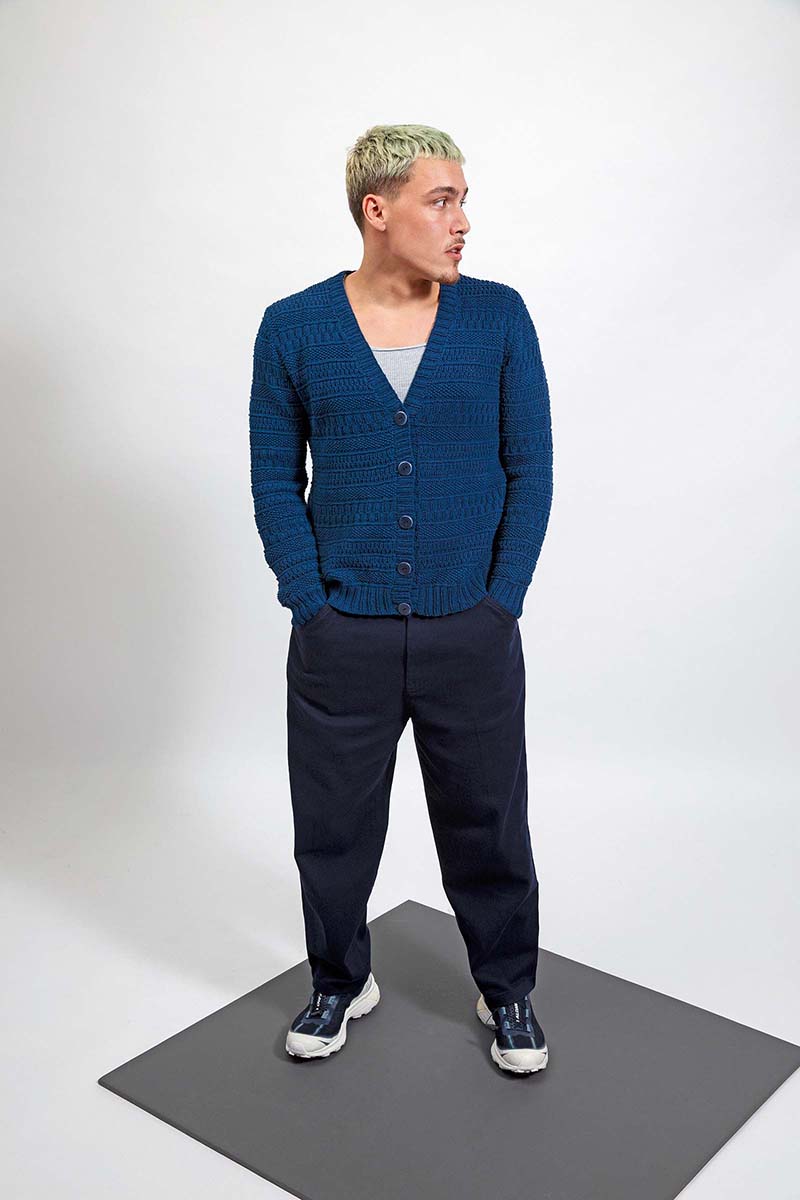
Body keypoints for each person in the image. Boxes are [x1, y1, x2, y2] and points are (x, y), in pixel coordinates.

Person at [248, 124, 553, 1074]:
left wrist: (501, 599)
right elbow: (274, 477)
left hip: (472, 628)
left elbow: (531, 467)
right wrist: (309, 600)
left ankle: (507, 989)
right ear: (377, 211)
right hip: (343, 632)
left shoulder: (498, 317)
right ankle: (340, 979)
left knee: (488, 822)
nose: (463, 221)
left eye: (463, 200)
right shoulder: (294, 327)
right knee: (331, 828)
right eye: (442, 200)